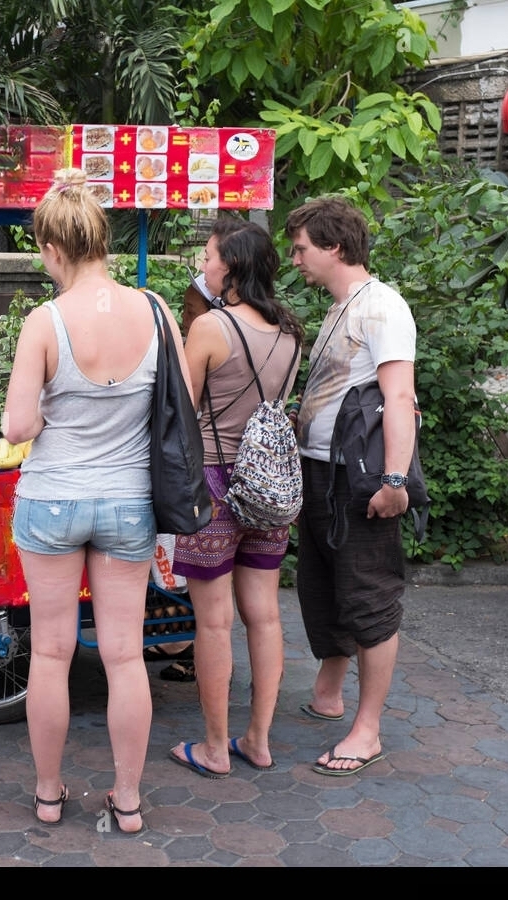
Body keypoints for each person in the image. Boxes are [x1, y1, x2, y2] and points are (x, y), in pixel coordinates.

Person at [3, 167, 189, 834]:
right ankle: (129, 800)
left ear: (54, 249)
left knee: (51, 653)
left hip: (52, 501)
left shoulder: (45, 321)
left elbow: (18, 428)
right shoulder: (159, 311)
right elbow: (181, 410)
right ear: (103, 239)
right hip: (127, 504)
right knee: (122, 654)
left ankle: (50, 796)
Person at [284, 195, 418, 777]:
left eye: (302, 249)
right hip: (322, 471)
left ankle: (368, 729)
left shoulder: (383, 308)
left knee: (367, 596)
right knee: (323, 585)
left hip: (359, 477)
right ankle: (331, 692)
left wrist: (394, 480)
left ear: (334, 247)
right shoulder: (344, 307)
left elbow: (400, 399)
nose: (295, 260)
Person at [167, 218, 304, 778]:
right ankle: (260, 741)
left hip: (216, 485)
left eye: (208, 257)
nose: (203, 266)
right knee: (266, 617)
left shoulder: (212, 329)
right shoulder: (292, 332)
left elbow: (179, 411)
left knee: (214, 622)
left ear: (232, 267)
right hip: (269, 483)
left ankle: (217, 747)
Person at [144, 269, 222, 680]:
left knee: (196, 568)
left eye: (191, 310)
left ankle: (190, 649)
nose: (185, 317)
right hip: (212, 469)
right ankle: (182, 643)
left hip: (199, 469)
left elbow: (182, 404)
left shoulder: (207, 341)